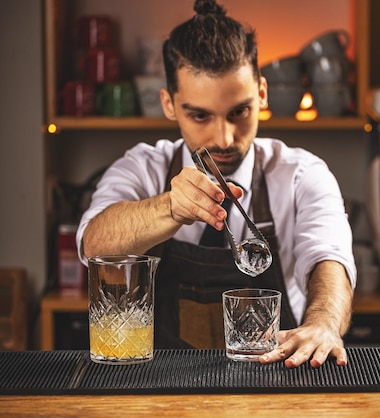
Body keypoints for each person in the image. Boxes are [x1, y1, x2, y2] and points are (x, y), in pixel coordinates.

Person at [77, 0, 356, 369]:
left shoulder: (302, 174)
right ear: (169, 104)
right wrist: (169, 207)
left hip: (273, 380)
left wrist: (322, 324)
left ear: (262, 94)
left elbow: (329, 258)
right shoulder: (142, 168)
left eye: (239, 112)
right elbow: (93, 244)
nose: (223, 138)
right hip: (158, 384)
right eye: (200, 115)